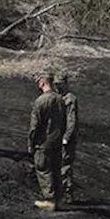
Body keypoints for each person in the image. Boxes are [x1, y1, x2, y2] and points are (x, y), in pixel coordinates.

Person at [28, 73, 67, 211]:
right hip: (56, 140)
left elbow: (35, 125)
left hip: (43, 142)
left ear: (42, 83)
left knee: (44, 169)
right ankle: (58, 199)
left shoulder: (40, 101)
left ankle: (49, 199)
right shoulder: (60, 99)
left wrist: (31, 143)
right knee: (56, 169)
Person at [56, 73, 79, 203]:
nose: (58, 87)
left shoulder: (70, 99)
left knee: (65, 164)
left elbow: (72, 120)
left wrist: (66, 137)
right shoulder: (58, 97)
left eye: (60, 85)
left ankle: (67, 193)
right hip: (57, 135)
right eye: (56, 85)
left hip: (66, 137)